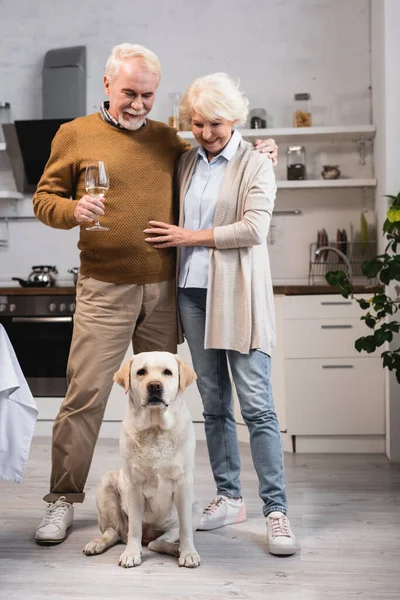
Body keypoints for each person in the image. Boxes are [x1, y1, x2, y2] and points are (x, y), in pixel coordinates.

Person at [32, 44, 278, 545]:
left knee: (165, 401)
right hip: (104, 287)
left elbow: (219, 155)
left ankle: (161, 504)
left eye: (147, 94)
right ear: (107, 85)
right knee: (85, 396)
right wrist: (69, 212)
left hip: (165, 290)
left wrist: (260, 149)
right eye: (129, 93)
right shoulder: (74, 134)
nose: (139, 104)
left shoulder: (170, 138)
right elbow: (44, 198)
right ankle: (62, 499)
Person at [144, 73, 296, 556]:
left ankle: (276, 510)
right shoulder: (186, 161)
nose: (205, 133)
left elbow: (253, 229)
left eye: (215, 123)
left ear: (234, 119)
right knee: (212, 404)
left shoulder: (256, 164)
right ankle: (229, 497)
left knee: (257, 406)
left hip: (239, 297)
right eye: (196, 123)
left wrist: (190, 237)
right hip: (191, 294)